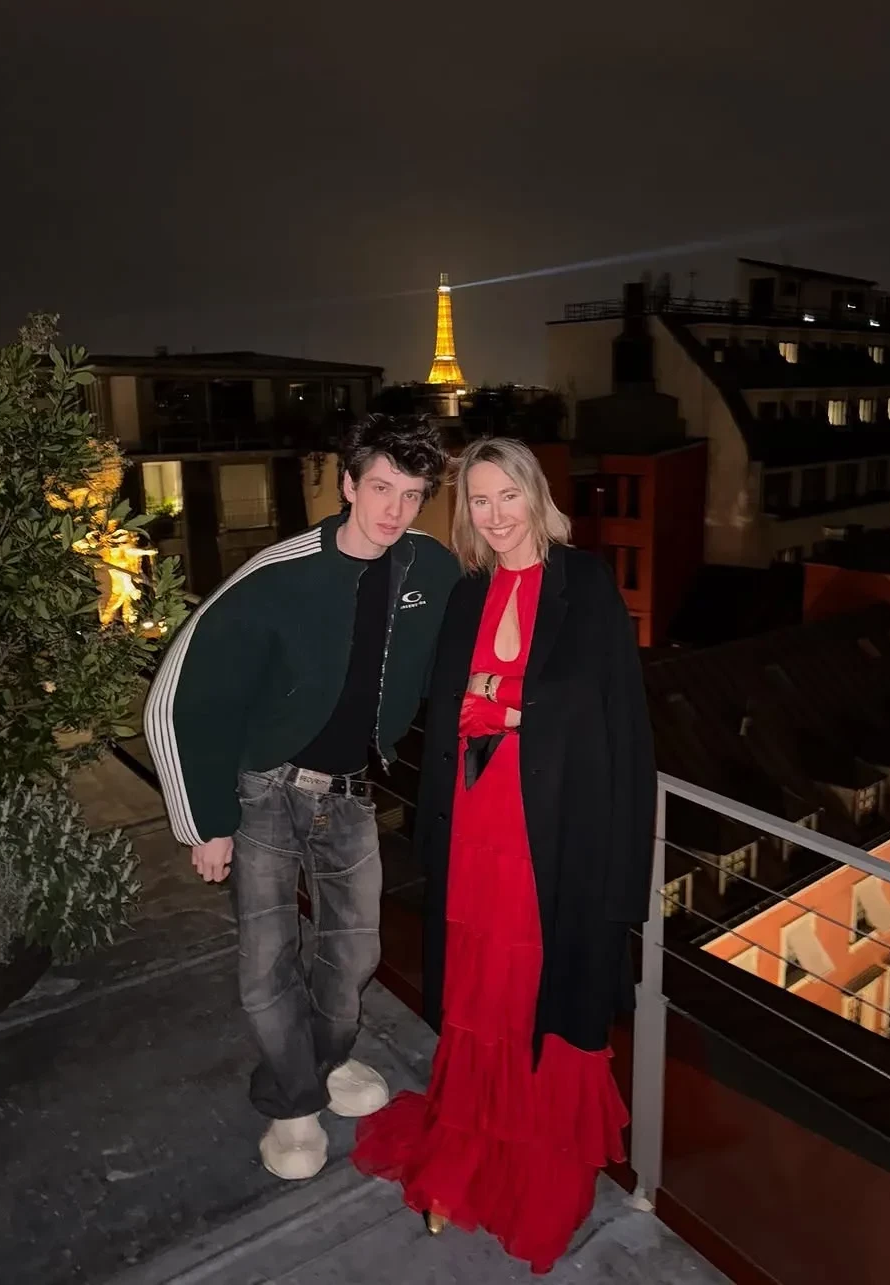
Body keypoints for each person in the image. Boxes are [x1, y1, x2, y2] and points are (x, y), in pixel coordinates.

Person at [352, 437, 656, 1273]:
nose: (493, 515)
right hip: (476, 824)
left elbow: (603, 708)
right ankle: (470, 1148)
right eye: (478, 501)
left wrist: (509, 704)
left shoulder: (584, 582)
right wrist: (486, 698)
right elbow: (444, 699)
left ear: (534, 495)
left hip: (554, 831)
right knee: (481, 991)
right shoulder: (467, 593)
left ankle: (537, 1163)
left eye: (506, 496)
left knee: (537, 988)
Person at [144, 414, 458, 1182]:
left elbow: (463, 652)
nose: (393, 509)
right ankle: (292, 1100)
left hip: (350, 793)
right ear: (348, 483)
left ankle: (323, 1059)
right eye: (380, 487)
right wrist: (204, 822)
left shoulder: (430, 568)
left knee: (355, 952)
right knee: (267, 960)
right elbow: (182, 692)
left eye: (411, 494)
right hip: (265, 792)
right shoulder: (279, 573)